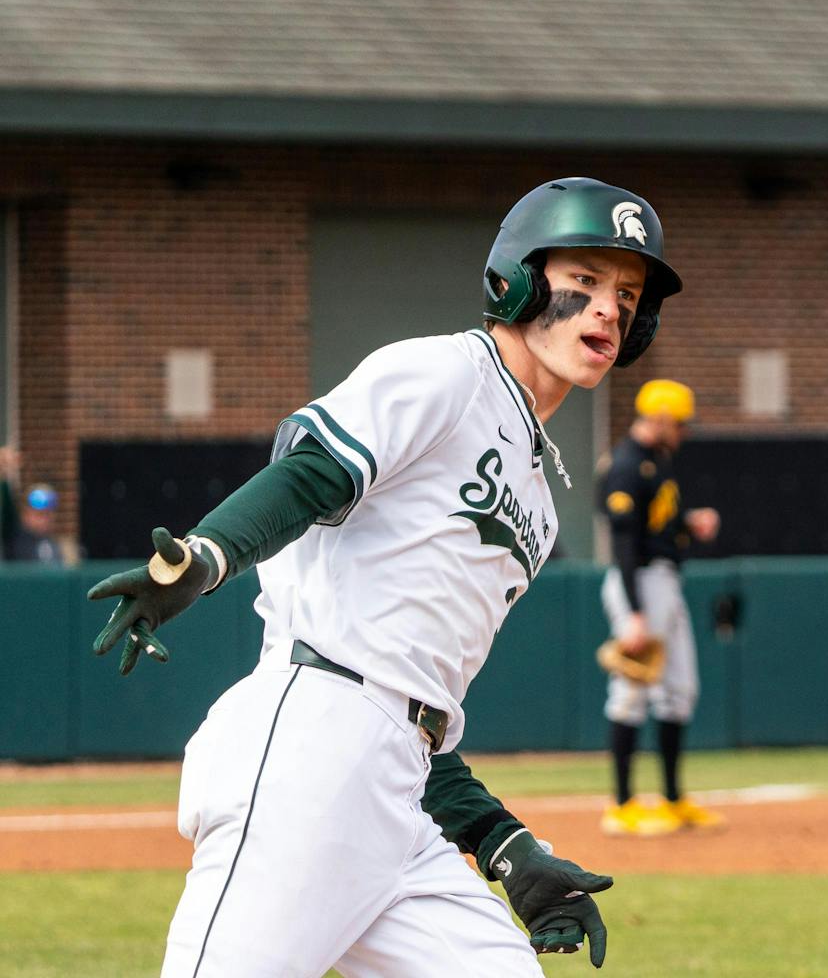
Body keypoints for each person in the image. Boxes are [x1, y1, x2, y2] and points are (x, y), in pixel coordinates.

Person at [87, 176, 684, 977]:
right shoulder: (448, 373)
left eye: (627, 295)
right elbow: (312, 473)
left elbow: (419, 705)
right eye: (584, 279)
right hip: (310, 743)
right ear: (518, 280)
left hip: (400, 788)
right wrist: (206, 556)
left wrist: (505, 846)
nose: (608, 308)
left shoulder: (540, 504)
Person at [597, 379, 725, 835]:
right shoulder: (627, 464)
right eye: (681, 423)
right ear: (662, 418)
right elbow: (624, 542)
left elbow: (655, 526)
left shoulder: (658, 461)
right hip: (640, 583)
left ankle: (672, 799)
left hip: (664, 580)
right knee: (631, 691)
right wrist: (634, 613)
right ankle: (621, 805)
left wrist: (687, 525)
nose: (684, 431)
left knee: (678, 690)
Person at [0, 444, 66, 564]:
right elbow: (7, 510)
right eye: (39, 514)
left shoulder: (53, 544)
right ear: (25, 514)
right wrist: (3, 476)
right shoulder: (13, 537)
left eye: (48, 514)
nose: (45, 520)